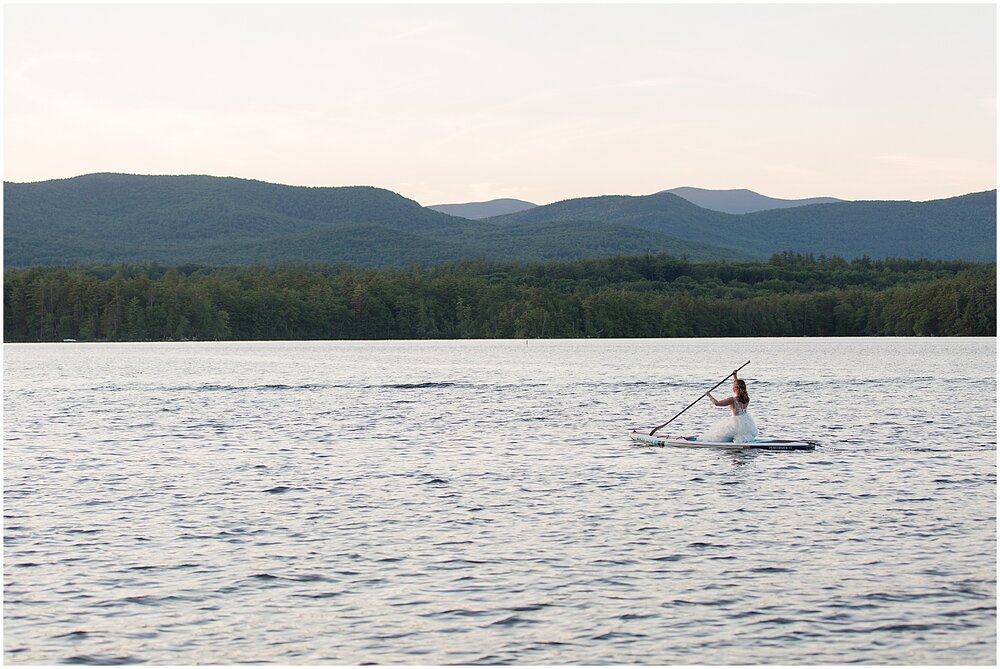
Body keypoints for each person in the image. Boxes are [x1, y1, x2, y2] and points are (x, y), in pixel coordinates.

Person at [701, 369, 759, 443]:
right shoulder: (746, 398)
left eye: (733, 386)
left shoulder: (732, 400)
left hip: (735, 424)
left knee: (717, 436)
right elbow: (738, 385)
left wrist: (709, 395)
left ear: (735, 388)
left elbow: (717, 403)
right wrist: (735, 376)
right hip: (746, 424)